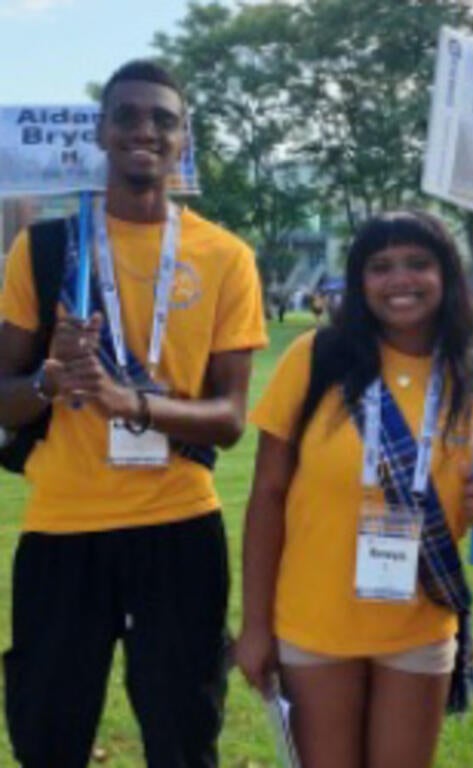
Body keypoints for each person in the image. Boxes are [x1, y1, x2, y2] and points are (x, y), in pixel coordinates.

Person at [0, 60, 268, 767]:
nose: (144, 129)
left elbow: (231, 418)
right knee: (46, 736)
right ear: (102, 131)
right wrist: (51, 381)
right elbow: (3, 395)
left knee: (183, 736)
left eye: (162, 118)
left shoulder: (226, 257)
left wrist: (134, 405)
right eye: (127, 116)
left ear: (184, 138)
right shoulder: (46, 249)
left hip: (178, 527)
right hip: (63, 528)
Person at [235, 210, 473, 768]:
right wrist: (255, 627)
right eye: (380, 266)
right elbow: (267, 495)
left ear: (447, 276)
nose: (400, 280)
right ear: (359, 282)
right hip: (313, 621)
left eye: (418, 264)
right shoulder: (315, 359)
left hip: (418, 622)